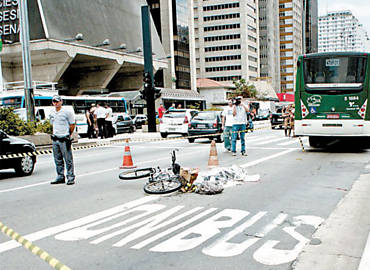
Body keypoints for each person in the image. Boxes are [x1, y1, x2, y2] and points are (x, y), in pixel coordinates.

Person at [49, 95, 76, 185]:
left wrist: (68, 134)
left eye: (57, 101)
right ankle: (60, 176)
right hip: (55, 138)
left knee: (68, 159)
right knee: (58, 159)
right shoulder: (52, 112)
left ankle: (70, 177)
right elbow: (52, 123)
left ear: (61, 102)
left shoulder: (67, 112)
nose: (56, 103)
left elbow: (72, 124)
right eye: (54, 102)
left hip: (64, 138)